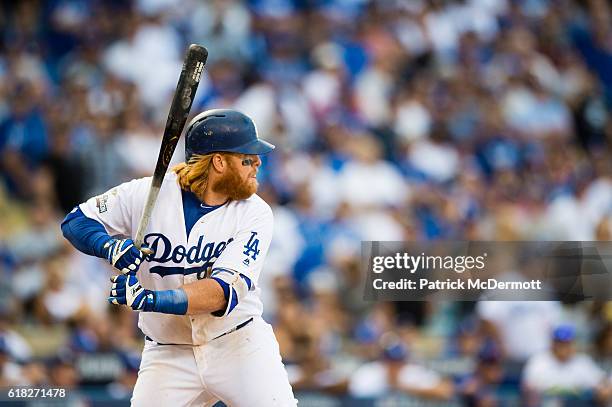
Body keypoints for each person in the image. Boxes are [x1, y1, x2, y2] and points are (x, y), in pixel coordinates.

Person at [61, 109, 297, 406]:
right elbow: (75, 221)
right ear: (219, 162)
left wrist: (148, 299)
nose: (258, 163)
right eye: (247, 158)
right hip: (169, 352)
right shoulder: (147, 194)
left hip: (237, 344)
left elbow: (221, 293)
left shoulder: (255, 212)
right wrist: (109, 247)